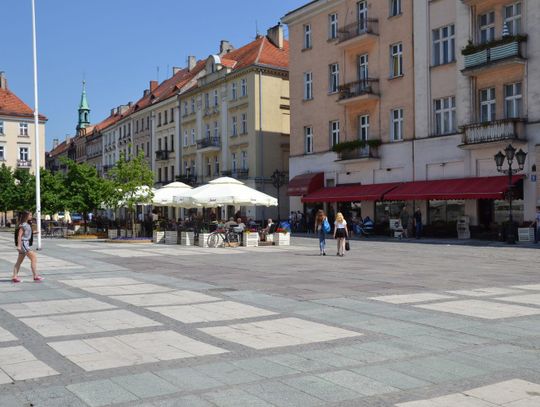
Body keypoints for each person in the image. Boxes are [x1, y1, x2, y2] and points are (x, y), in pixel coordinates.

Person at [12, 211, 43, 283]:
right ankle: (35, 276)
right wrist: (19, 246)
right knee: (34, 258)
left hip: (25, 244)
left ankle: (15, 277)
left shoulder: (27, 224)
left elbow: (26, 233)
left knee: (19, 261)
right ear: (26, 216)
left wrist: (34, 232)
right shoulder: (23, 225)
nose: (31, 216)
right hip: (24, 244)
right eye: (30, 215)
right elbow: (20, 236)